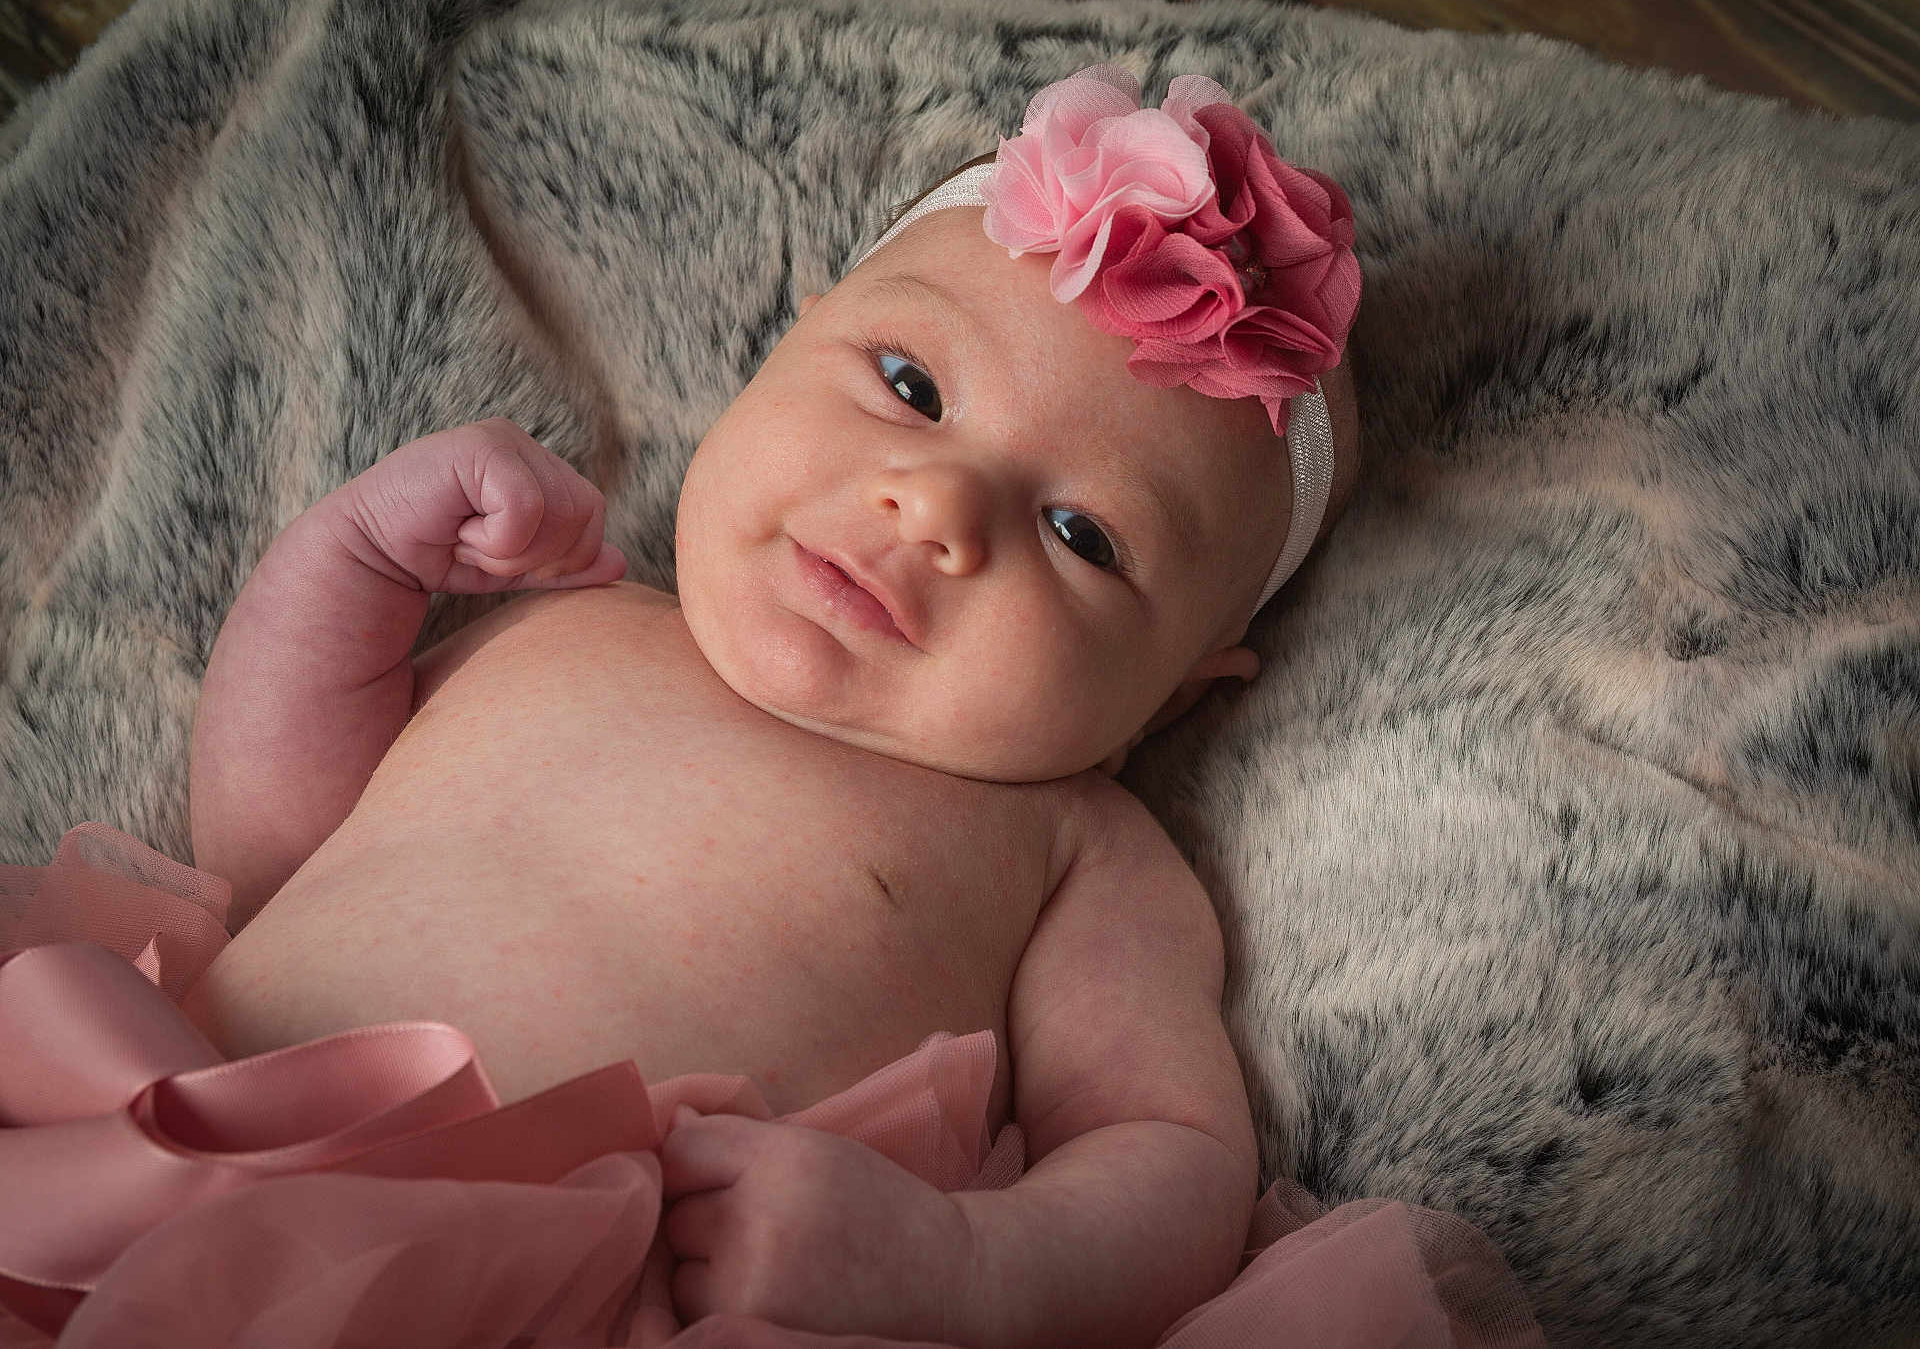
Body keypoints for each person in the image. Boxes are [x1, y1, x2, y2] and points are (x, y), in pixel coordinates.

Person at [0, 66, 1534, 1348]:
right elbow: (277, 855)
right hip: (158, 1134)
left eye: (1084, 537)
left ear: (1176, 690)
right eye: (911, 387)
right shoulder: (568, 622)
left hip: (574, 1284)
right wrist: (347, 565)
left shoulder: (1078, 849)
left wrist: (958, 1264)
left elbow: (1174, 1160)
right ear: (779, 347)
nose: (932, 505)